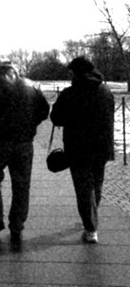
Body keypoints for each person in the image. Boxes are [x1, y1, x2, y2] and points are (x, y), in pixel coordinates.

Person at [0, 62, 50, 245]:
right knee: (22, 185)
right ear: (15, 71)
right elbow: (44, 111)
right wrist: (30, 125)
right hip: (24, 143)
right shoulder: (31, 85)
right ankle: (17, 226)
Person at [50, 56, 114, 244]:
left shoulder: (71, 93)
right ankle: (91, 217)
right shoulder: (105, 91)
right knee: (96, 184)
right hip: (102, 146)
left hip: (78, 148)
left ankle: (90, 227)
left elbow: (56, 118)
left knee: (84, 188)